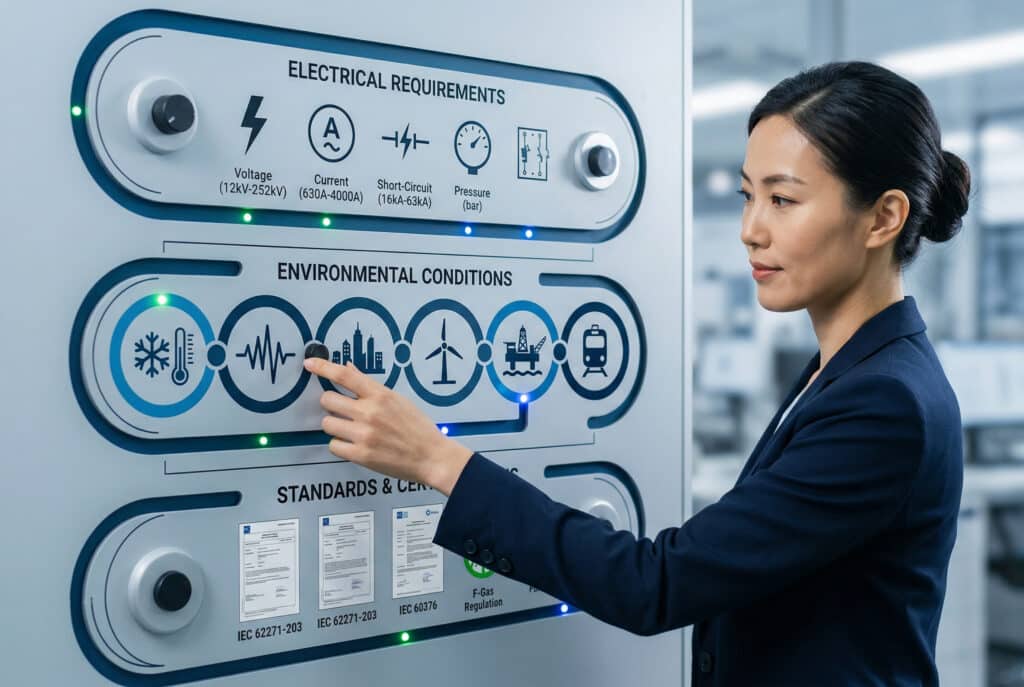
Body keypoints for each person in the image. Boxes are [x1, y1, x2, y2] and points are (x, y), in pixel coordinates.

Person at [303, 61, 969, 686]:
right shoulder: (851, 371)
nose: (750, 229)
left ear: (884, 217)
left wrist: (437, 459)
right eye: (747, 196)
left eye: (783, 200)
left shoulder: (886, 401)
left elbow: (657, 583)